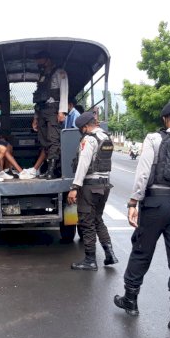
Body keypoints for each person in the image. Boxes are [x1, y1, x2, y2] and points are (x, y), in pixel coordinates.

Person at [113, 101, 170, 329]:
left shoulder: (153, 140)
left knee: (142, 252)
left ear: (165, 119)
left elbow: (143, 174)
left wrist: (133, 202)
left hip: (154, 204)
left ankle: (131, 301)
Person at [67, 112, 119, 271]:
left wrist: (75, 187)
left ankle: (90, 260)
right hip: (104, 185)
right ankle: (110, 254)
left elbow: (83, 164)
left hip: (90, 185)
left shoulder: (89, 139)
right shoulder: (106, 137)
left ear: (85, 127)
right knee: (97, 219)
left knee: (86, 221)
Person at [33, 50, 69, 179]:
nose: (39, 64)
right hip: (42, 110)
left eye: (40, 60)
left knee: (53, 139)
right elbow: (38, 97)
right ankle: (48, 168)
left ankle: (51, 171)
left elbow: (64, 91)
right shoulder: (42, 75)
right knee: (44, 140)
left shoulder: (60, 72)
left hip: (54, 109)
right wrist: (36, 117)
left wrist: (62, 111)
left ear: (47, 59)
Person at [0, 101, 33, 180]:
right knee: (4, 148)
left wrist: (0, 140)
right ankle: (20, 171)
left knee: (8, 145)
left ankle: (6, 170)